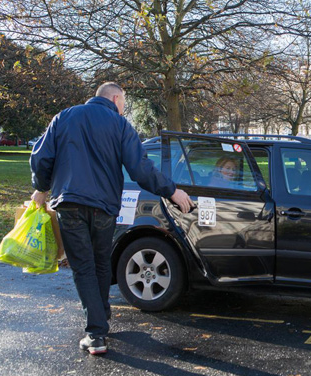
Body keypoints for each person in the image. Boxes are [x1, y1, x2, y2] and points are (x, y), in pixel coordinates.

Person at [30, 82, 194, 355]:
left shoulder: (64, 117)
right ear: (116, 98)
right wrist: (171, 190)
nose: (124, 108)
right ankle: (98, 329)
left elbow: (41, 158)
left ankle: (97, 328)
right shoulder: (120, 125)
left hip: (69, 204)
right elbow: (140, 168)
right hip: (104, 207)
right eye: (123, 103)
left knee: (83, 268)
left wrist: (41, 186)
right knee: (100, 264)